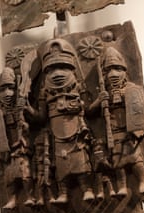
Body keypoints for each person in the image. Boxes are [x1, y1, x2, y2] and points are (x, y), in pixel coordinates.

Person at [25, 38, 95, 203]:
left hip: (76, 131)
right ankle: (63, 193)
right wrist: (28, 109)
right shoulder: (45, 92)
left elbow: (89, 110)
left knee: (80, 160)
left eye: (62, 68)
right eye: (51, 70)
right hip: (56, 135)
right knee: (60, 163)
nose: (57, 74)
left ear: (72, 69)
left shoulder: (78, 87)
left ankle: (88, 189)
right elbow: (41, 117)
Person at [88, 47, 144, 196]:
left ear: (125, 72)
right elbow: (90, 112)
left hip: (129, 130)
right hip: (113, 131)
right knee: (117, 161)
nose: (113, 75)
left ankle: (142, 181)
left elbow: (140, 111)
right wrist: (99, 100)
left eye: (117, 69)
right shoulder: (105, 93)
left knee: (135, 158)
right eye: (108, 71)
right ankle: (122, 186)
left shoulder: (132, 89)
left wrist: (126, 96)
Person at [0, 67, 35, 209]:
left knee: (25, 172)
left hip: (22, 146)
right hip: (8, 150)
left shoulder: (20, 108)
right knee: (9, 177)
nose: (7, 93)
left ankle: (30, 196)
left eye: (10, 88)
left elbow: (37, 120)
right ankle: (12, 198)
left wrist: (26, 113)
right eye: (2, 89)